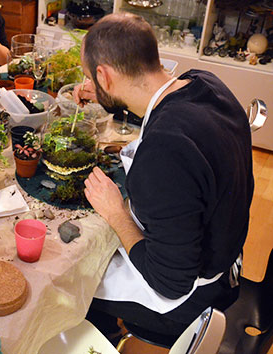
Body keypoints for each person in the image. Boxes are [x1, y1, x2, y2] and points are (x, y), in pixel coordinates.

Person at [74, 12, 253, 342]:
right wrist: (102, 93)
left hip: (193, 300)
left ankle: (104, 338)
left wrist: (115, 212)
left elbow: (169, 282)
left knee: (76, 282)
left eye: (91, 78)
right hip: (227, 258)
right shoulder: (205, 84)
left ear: (104, 75)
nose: (89, 85)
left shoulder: (165, 150)